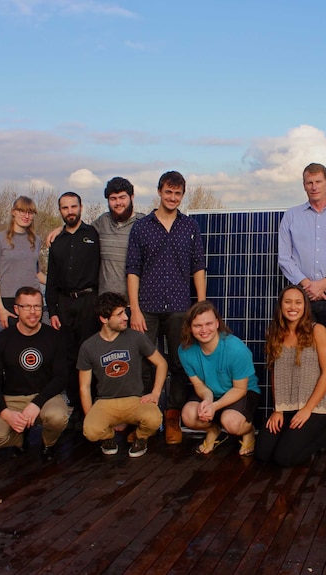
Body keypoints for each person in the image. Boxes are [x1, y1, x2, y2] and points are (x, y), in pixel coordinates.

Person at [126, 171, 206, 445]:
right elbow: (133, 269)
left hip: (180, 307)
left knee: (179, 363)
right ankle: (146, 419)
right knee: (145, 365)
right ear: (159, 191)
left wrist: (201, 305)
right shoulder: (141, 227)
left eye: (177, 193)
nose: (172, 198)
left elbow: (198, 266)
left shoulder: (190, 227)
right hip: (146, 307)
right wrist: (134, 308)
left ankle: (172, 417)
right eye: (168, 192)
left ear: (182, 195)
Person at [0, 287, 69, 461]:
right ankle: (20, 440)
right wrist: (4, 412)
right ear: (16, 309)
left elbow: (61, 378)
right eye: (26, 307)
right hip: (12, 399)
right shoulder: (1, 340)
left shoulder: (54, 337)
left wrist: (36, 403)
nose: (33, 312)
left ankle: (48, 444)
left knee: (58, 418)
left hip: (45, 396)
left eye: (37, 306)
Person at [278, 163, 326, 397]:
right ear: (304, 185)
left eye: (318, 182)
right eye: (309, 182)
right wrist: (306, 284)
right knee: (297, 352)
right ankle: (299, 408)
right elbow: (284, 258)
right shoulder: (291, 216)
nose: (314, 187)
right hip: (298, 295)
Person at [255, 286, 326, 466]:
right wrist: (278, 409)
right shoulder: (274, 333)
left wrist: (307, 410)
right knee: (262, 453)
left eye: (298, 302)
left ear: (305, 307)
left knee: (283, 458)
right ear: (280, 306)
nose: (293, 307)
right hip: (287, 406)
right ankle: (297, 438)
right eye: (287, 302)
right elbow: (275, 374)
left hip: (314, 408)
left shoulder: (317, 330)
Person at [77, 292, 168, 458]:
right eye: (119, 314)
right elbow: (84, 387)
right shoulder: (88, 346)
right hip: (105, 402)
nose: (126, 317)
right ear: (104, 319)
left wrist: (155, 393)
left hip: (134, 400)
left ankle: (141, 438)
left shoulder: (136, 337)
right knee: (90, 431)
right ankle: (108, 438)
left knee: (155, 418)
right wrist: (91, 416)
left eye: (124, 312)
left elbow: (161, 363)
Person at [45, 192, 101, 425]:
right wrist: (53, 311)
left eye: (73, 206)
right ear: (60, 211)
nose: (70, 211)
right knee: (68, 358)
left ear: (81, 207)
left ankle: (95, 406)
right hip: (64, 304)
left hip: (90, 302)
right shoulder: (55, 241)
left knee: (90, 354)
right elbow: (51, 280)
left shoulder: (93, 235)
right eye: (65, 207)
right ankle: (76, 408)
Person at [178, 301, 261, 456]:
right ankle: (213, 429)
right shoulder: (185, 350)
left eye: (208, 323)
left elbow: (240, 389)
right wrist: (208, 401)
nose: (204, 330)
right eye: (197, 325)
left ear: (217, 323)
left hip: (242, 391)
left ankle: (249, 430)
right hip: (211, 391)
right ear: (189, 327)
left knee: (231, 422)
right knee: (188, 415)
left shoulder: (236, 350)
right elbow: (199, 384)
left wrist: (214, 407)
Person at [46, 176, 146, 298]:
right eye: (113, 198)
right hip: (106, 302)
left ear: (132, 197)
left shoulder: (144, 224)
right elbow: (79, 230)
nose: (118, 203)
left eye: (122, 197)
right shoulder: (103, 221)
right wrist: (62, 228)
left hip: (136, 302)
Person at [0, 196, 46, 329]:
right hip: (9, 301)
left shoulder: (36, 240)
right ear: (13, 212)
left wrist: (58, 284)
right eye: (22, 211)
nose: (26, 216)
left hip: (34, 301)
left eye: (30, 213)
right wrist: (0, 308)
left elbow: (36, 273)